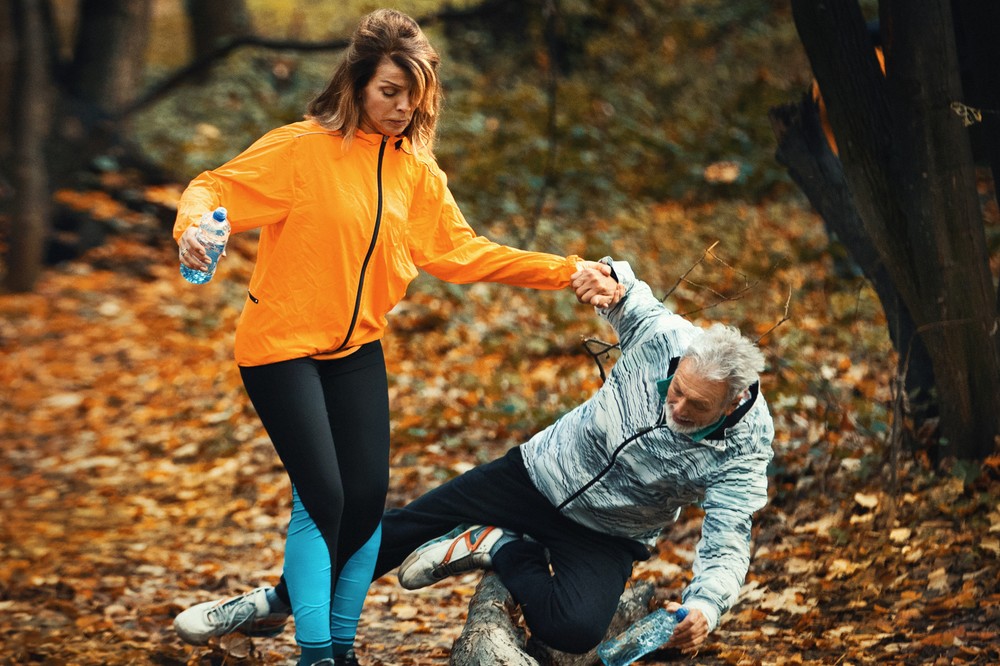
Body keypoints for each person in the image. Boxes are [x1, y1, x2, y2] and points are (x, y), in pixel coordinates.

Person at [171, 9, 619, 666]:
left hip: (356, 352)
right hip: (281, 347)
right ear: (356, 84)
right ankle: (317, 653)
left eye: (416, 95)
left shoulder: (417, 174)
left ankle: (343, 648)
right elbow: (213, 188)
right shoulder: (301, 149)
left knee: (365, 504)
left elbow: (463, 252)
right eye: (390, 92)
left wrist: (567, 269)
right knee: (323, 496)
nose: (404, 107)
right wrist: (192, 226)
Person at [175, 258, 774, 656]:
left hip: (610, 532)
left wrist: (705, 604)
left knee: (572, 631)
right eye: (674, 391)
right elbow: (626, 290)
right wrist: (607, 281)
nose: (676, 406)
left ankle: (498, 547)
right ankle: (275, 601)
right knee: (395, 530)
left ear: (733, 401)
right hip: (538, 473)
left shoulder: (744, 450)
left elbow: (729, 538)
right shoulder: (668, 342)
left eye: (695, 407)